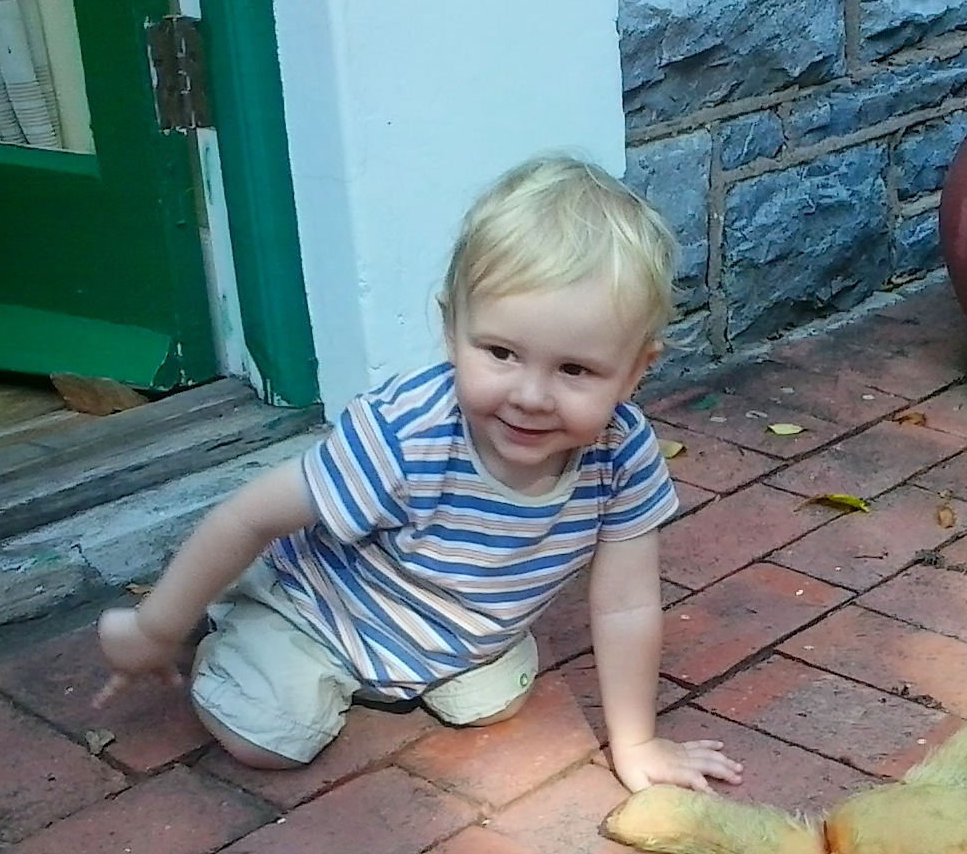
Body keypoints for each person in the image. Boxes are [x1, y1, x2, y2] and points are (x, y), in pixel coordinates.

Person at [96, 154, 743, 794]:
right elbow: (249, 516)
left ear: (634, 372)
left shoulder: (622, 453)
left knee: (495, 702)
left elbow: (627, 602)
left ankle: (407, 669)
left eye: (574, 370)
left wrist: (636, 741)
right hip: (319, 615)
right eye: (501, 353)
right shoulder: (406, 433)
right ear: (451, 328)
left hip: (454, 636)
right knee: (270, 737)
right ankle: (234, 630)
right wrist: (156, 628)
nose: (530, 396)